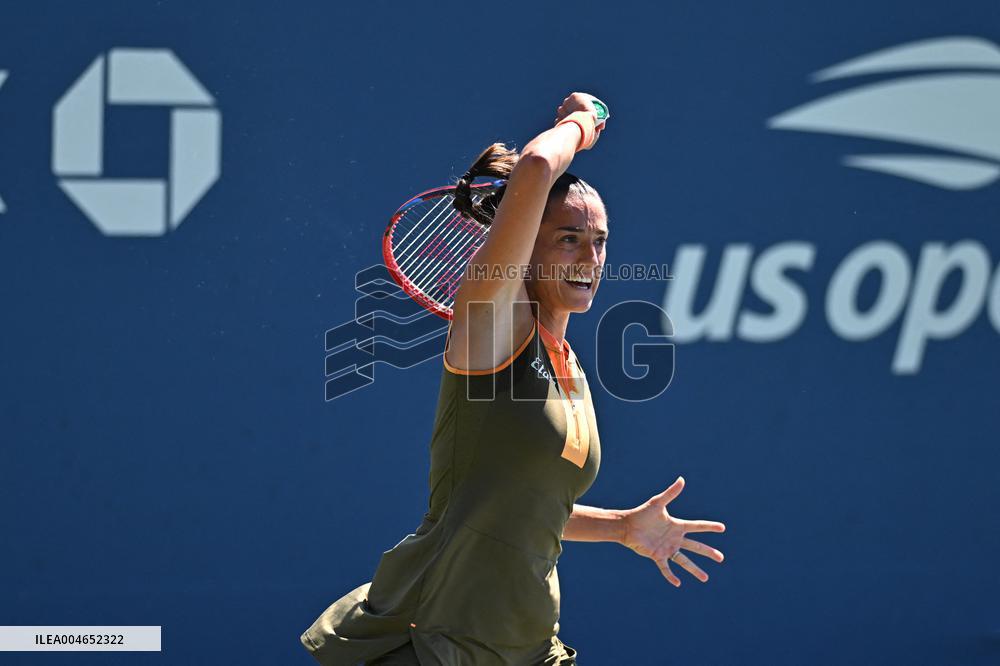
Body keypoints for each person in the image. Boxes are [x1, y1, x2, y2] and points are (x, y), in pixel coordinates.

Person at [301, 92, 726, 665]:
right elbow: (537, 165)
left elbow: (523, 506)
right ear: (524, 248)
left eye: (600, 241)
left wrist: (623, 527)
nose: (590, 258)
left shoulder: (569, 367)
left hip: (527, 646)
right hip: (438, 640)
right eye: (568, 239)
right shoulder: (492, 324)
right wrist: (584, 121)